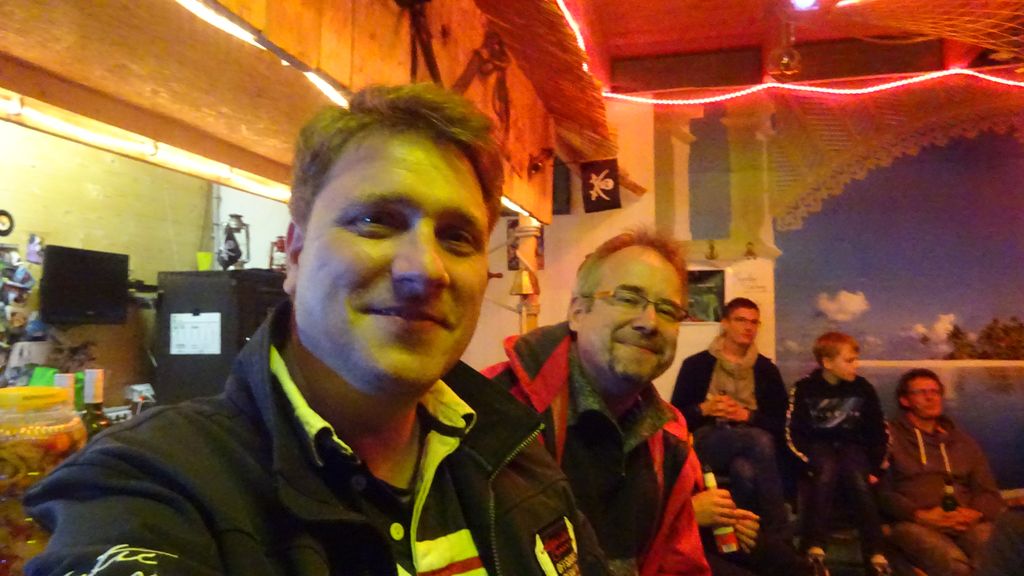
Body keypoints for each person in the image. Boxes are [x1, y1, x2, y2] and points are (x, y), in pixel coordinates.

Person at [23, 84, 608, 576]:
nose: (424, 269)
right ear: (296, 255)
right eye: (376, 221)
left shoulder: (518, 459)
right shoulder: (155, 483)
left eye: (457, 237)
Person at [486, 229, 773, 576]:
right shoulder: (489, 411)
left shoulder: (670, 443)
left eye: (667, 309)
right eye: (627, 298)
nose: (649, 322)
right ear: (577, 312)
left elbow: (677, 566)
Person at [671, 298, 792, 540]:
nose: (748, 327)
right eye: (741, 320)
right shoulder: (697, 365)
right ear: (725, 324)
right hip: (709, 439)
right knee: (759, 441)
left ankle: (737, 538)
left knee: (744, 470)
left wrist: (747, 415)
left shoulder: (766, 370)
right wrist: (705, 409)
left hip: (754, 444)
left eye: (754, 322)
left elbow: (782, 425)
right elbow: (675, 418)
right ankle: (779, 533)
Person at [879, 368, 1005, 576]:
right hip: (914, 522)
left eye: (935, 392)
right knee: (955, 565)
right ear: (905, 400)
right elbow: (882, 493)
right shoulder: (889, 438)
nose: (930, 397)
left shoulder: (962, 441)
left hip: (966, 520)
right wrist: (920, 515)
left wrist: (975, 513)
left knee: (996, 553)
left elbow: (988, 491)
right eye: (921, 392)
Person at [786, 332, 890, 576]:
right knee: (825, 473)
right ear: (827, 362)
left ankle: (876, 553)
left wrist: (877, 468)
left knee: (858, 478)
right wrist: (805, 464)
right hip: (818, 447)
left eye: (856, 360)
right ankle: (814, 548)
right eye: (849, 360)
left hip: (853, 447)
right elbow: (792, 432)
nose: (856, 365)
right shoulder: (804, 388)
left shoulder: (863, 388)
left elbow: (878, 431)